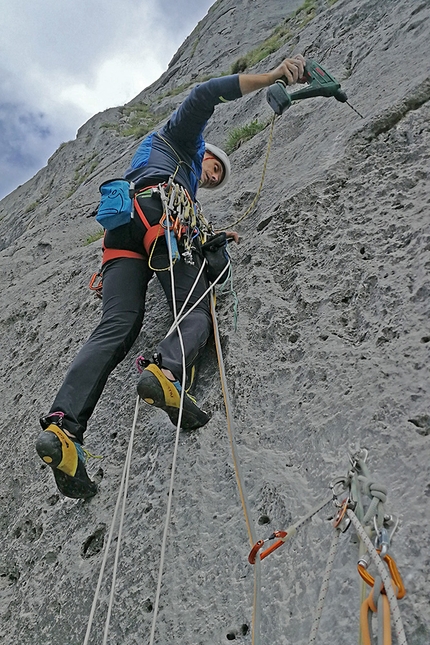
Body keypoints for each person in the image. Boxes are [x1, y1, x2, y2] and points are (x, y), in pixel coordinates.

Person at [36, 55, 306, 500]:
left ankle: (63, 431)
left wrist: (211, 237)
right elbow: (203, 94)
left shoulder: (165, 168)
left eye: (216, 176)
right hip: (159, 214)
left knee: (117, 325)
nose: (213, 173)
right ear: (205, 150)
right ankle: (166, 372)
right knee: (197, 307)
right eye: (213, 165)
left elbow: (192, 235)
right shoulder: (182, 139)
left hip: (122, 230)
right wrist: (274, 75)